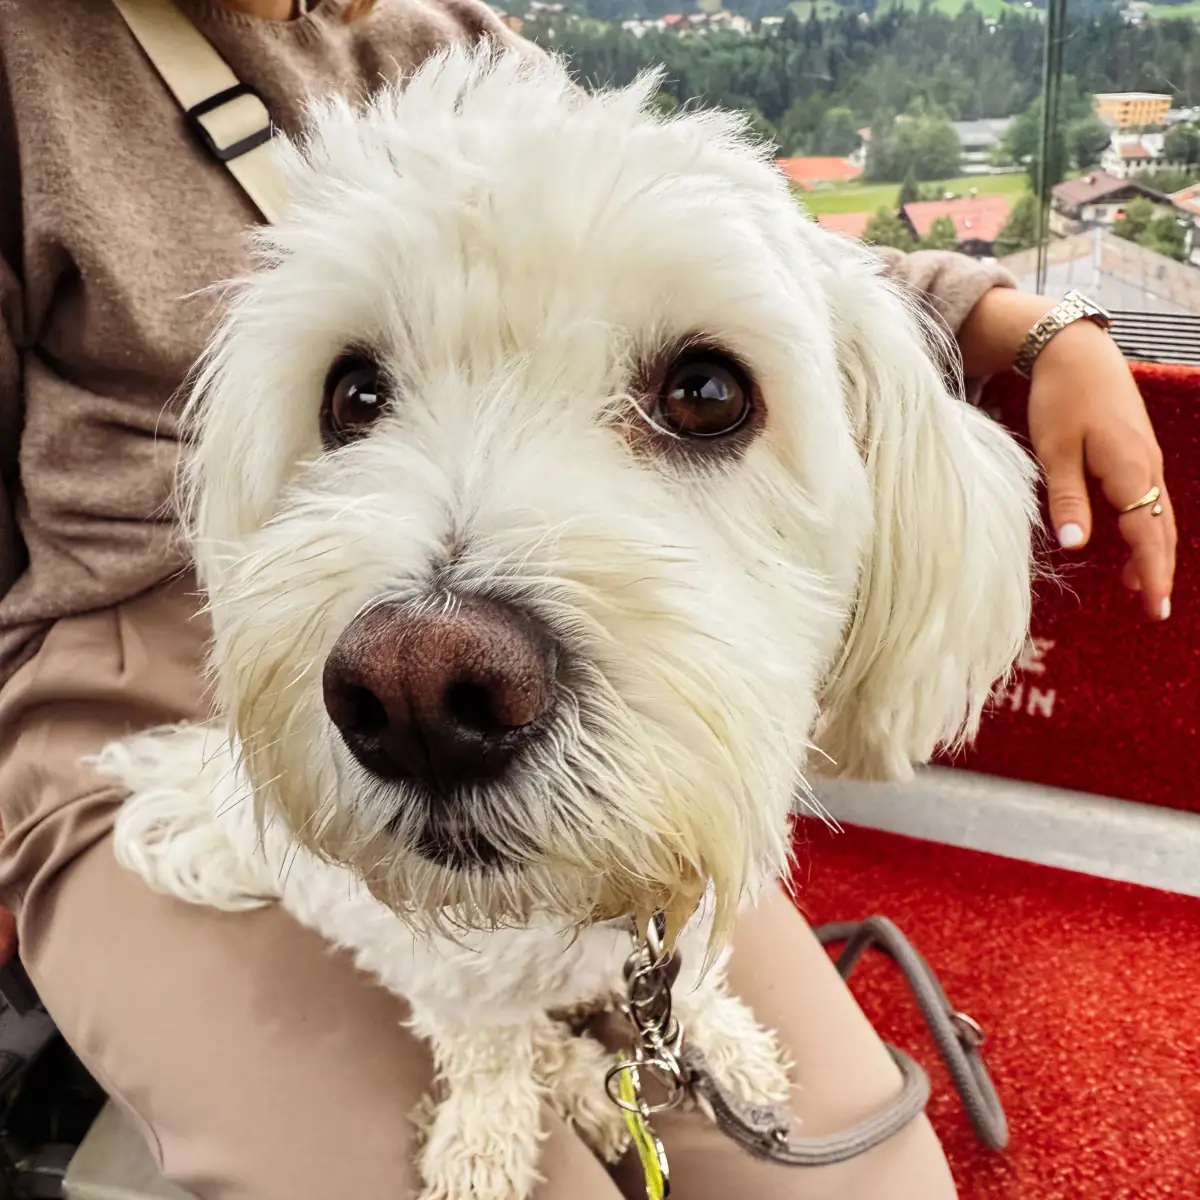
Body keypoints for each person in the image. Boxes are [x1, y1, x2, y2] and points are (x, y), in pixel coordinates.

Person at [0, 3, 1176, 1198]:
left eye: (699, 398)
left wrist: (1022, 326)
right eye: (357, 400)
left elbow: (687, 233)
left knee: (859, 1178)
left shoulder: (451, 36)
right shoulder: (25, 63)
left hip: (555, 633)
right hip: (120, 676)